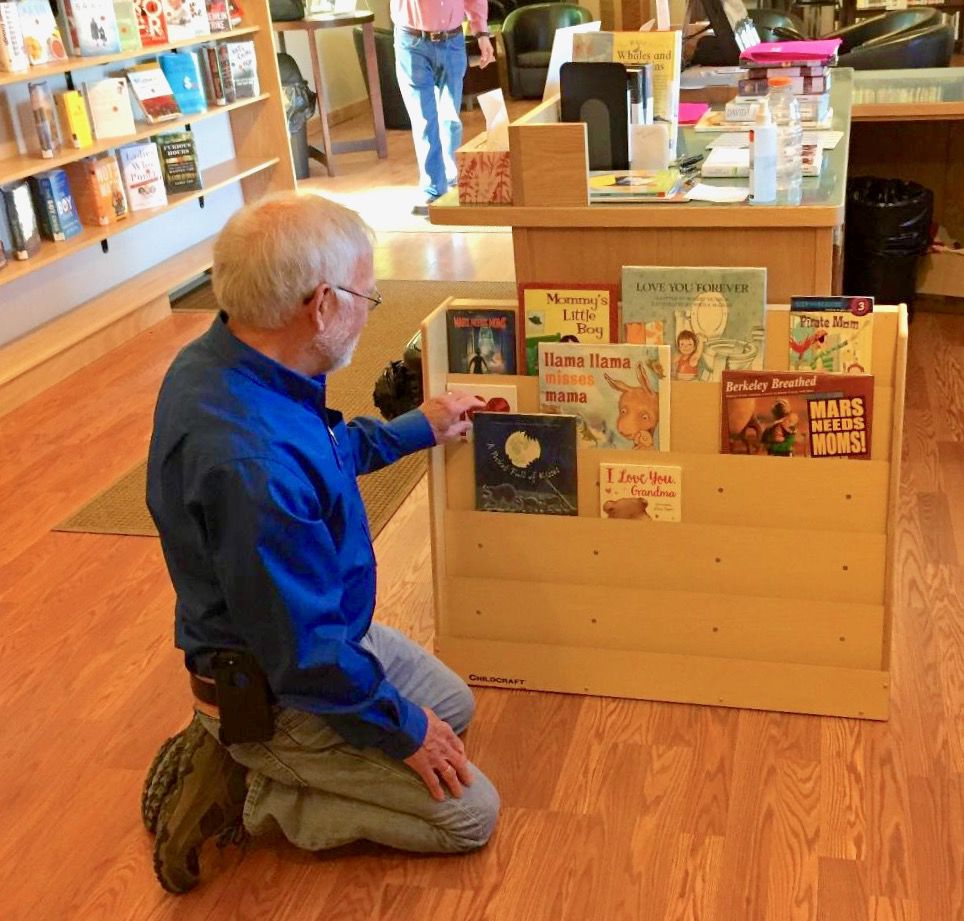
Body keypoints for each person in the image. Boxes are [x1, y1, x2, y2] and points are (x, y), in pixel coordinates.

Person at [143, 191, 500, 894]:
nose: (369, 308)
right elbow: (305, 658)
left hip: (311, 628)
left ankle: (248, 745)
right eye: (367, 294)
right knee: (470, 815)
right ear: (322, 305)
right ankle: (253, 785)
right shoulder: (253, 467)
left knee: (454, 706)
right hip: (280, 682)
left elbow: (322, 453)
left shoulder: (229, 361)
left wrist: (416, 427)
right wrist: (403, 730)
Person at [392, 0, 495, 215]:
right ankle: (433, 191)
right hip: (412, 42)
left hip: (452, 41)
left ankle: (451, 178)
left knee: (450, 118)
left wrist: (481, 33)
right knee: (424, 120)